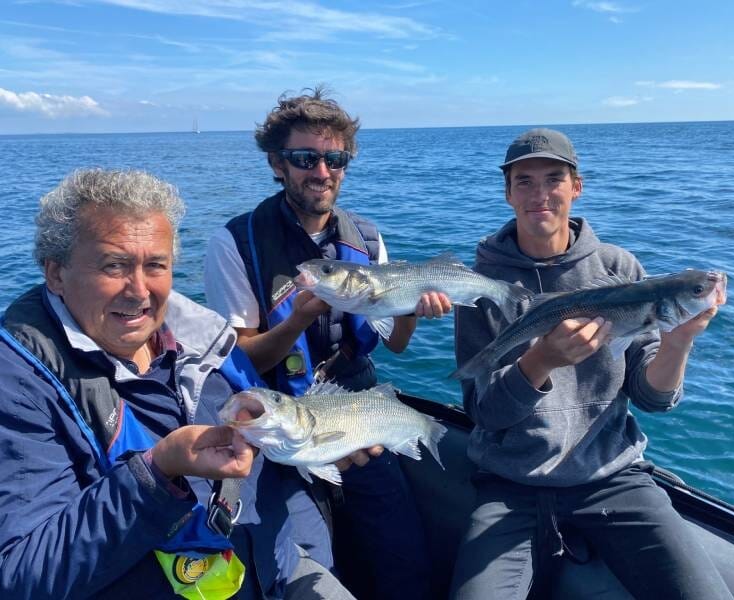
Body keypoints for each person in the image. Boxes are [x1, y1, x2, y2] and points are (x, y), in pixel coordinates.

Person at [0, 168, 355, 600]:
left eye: (156, 265)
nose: (139, 290)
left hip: (282, 568)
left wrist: (322, 452)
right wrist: (156, 473)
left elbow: (270, 470)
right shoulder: (18, 384)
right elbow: (23, 576)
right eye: (114, 265)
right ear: (56, 273)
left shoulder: (205, 342)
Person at [449, 129, 733, 599]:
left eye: (554, 179)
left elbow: (652, 398)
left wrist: (678, 341)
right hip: (510, 482)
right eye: (524, 181)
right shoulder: (483, 284)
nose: (539, 194)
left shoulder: (620, 269)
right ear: (507, 192)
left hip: (612, 478)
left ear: (576, 186)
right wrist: (539, 361)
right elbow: (485, 414)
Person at [204, 86, 446, 599]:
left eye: (335, 158)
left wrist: (414, 310)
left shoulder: (366, 237)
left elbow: (396, 345)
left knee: (403, 548)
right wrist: (296, 320)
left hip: (358, 407)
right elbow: (241, 358)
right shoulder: (235, 242)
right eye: (305, 158)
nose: (322, 171)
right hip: (279, 419)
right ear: (276, 163)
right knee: (301, 559)